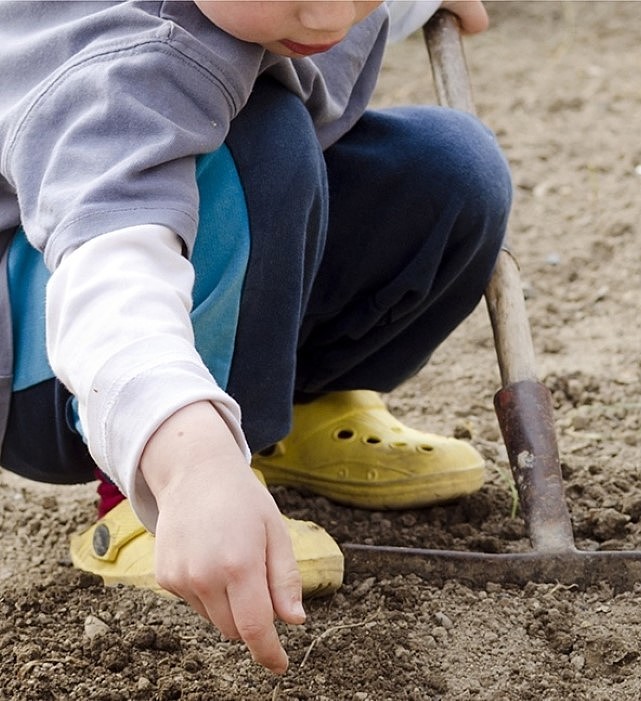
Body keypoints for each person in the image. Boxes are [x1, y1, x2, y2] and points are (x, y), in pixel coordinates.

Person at [0, 0, 510, 674]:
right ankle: (141, 496)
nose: (331, 12)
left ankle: (291, 417)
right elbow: (110, 284)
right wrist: (191, 467)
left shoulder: (286, 9)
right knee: (259, 145)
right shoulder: (127, 64)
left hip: (182, 257)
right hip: (57, 356)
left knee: (449, 167)